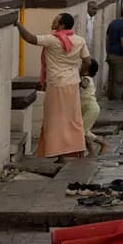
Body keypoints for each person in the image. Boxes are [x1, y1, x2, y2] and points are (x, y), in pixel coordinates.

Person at [17, 13, 90, 158]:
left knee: (55, 119)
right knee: (73, 119)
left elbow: (30, 38)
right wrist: (79, 74)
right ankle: (77, 150)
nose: (52, 22)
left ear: (61, 25)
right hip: (73, 83)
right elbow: (87, 61)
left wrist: (18, 24)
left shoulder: (52, 40)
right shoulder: (79, 40)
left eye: (55, 20)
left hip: (57, 84)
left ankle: (59, 154)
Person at [79, 59, 107, 157]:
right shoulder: (84, 77)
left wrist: (76, 76)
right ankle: (92, 151)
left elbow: (83, 84)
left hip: (91, 108)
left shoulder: (87, 78)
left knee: (82, 131)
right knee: (84, 131)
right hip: (85, 108)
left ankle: (101, 144)